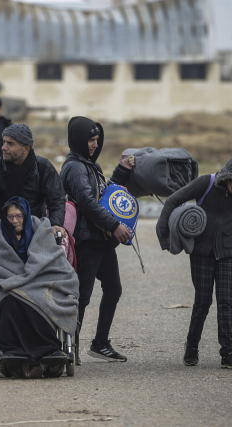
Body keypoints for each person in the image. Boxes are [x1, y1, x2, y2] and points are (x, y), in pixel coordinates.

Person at [157, 153, 232, 369]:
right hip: (201, 251)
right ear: (228, 177)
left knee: (226, 303)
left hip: (227, 252)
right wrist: (164, 232)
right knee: (203, 302)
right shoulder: (206, 182)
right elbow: (174, 200)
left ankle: (228, 355)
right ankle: (191, 349)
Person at [0, 197, 79, 379]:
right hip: (4, 286)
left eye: (19, 216)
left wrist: (29, 281)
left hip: (38, 283)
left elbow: (58, 265)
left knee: (40, 300)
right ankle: (11, 350)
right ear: (3, 217)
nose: (15, 220)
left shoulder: (41, 235)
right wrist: (12, 283)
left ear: (26, 215)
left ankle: (49, 350)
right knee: (9, 301)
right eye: (10, 216)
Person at [60, 116, 135, 364]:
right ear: (80, 140)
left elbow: (103, 196)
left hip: (101, 240)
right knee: (82, 296)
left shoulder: (90, 165)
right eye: (91, 140)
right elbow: (88, 203)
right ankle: (70, 348)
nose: (94, 144)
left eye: (97, 140)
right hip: (86, 240)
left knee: (114, 289)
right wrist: (114, 226)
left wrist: (122, 171)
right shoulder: (75, 167)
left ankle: (100, 343)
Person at [0, 123, 66, 240]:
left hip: (35, 227)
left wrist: (56, 224)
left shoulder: (43, 167)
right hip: (1, 227)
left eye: (10, 144)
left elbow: (56, 199)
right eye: (4, 142)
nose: (4, 147)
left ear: (25, 148)